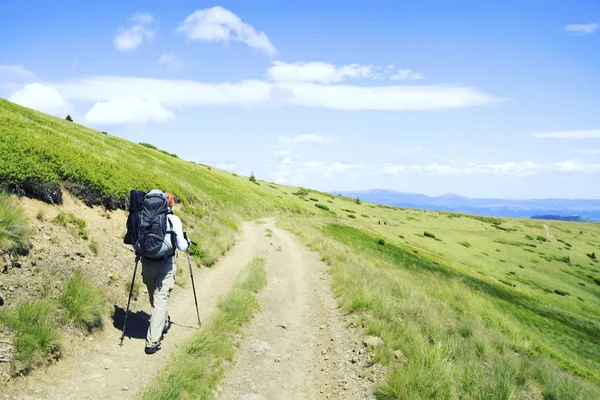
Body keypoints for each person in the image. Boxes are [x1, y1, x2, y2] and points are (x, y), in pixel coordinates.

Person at [140, 191, 190, 355]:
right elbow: (182, 246)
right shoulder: (173, 219)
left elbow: (135, 242)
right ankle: (152, 342)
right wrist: (187, 241)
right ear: (168, 203)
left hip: (146, 263)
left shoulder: (142, 216)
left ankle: (159, 321)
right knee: (160, 301)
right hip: (166, 264)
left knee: (154, 298)